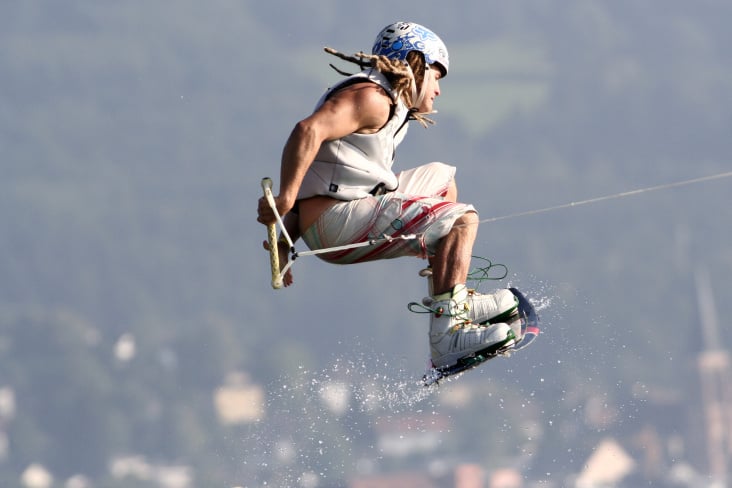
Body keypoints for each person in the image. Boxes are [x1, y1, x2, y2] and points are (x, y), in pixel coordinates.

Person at [257, 22, 523, 369]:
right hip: (336, 224)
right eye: (437, 76)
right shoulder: (373, 99)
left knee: (444, 180)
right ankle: (448, 336)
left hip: (337, 213)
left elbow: (323, 171)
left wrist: (287, 237)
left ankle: (452, 304)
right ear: (416, 63)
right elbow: (308, 130)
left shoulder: (388, 103)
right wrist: (286, 199)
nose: (439, 90)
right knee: (462, 219)